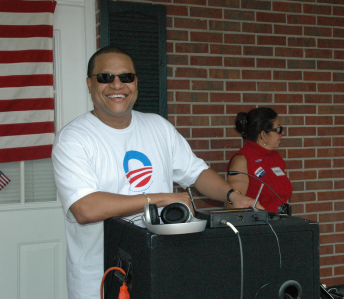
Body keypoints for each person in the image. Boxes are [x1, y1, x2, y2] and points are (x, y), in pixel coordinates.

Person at [52, 46, 262, 299]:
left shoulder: (158, 126)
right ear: (89, 84)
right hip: (101, 281)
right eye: (106, 77)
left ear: (136, 82)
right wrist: (159, 198)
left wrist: (233, 195)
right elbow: (85, 209)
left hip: (162, 270)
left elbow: (197, 173)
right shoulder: (74, 139)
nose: (117, 85)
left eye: (126, 77)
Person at [227, 107, 293, 213]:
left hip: (280, 223)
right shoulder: (242, 160)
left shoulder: (276, 157)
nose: (283, 133)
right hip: (257, 225)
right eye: (279, 129)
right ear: (263, 135)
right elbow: (233, 207)